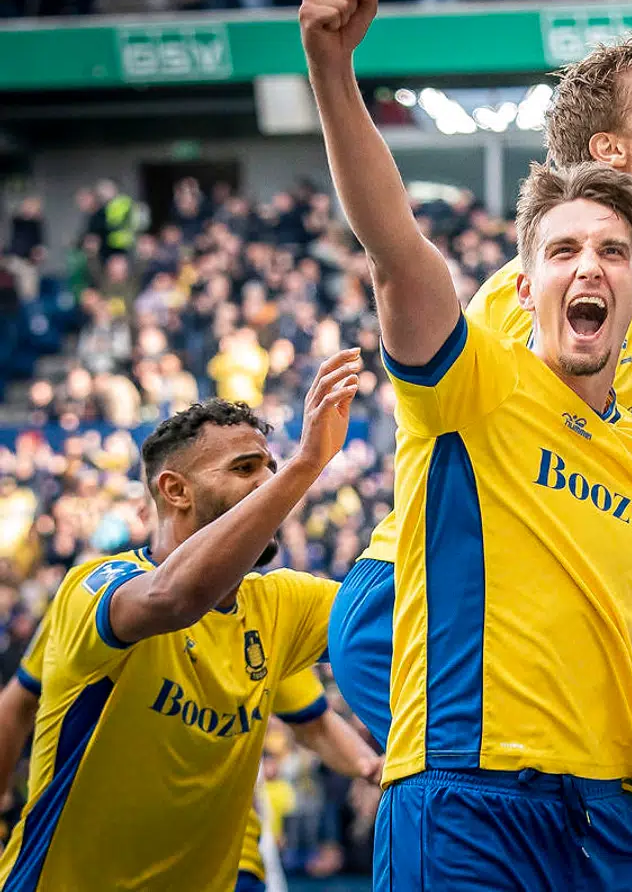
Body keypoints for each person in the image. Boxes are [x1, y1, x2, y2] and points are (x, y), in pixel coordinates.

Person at [303, 0, 632, 889]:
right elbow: (395, 248)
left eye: (611, 253)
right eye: (561, 251)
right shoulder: (473, 383)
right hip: (467, 799)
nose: (587, 267)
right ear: (522, 290)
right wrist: (331, 71)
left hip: (613, 821)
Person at [0, 353, 361, 891]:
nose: (267, 483)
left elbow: (401, 619)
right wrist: (306, 465)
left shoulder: (283, 603)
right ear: (175, 490)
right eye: (245, 469)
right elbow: (175, 597)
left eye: (271, 468)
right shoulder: (94, 588)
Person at [0, 618, 381, 892]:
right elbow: (14, 707)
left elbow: (314, 724)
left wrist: (372, 766)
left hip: (229, 866)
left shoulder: (263, 616)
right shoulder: (100, 594)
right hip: (96, 865)